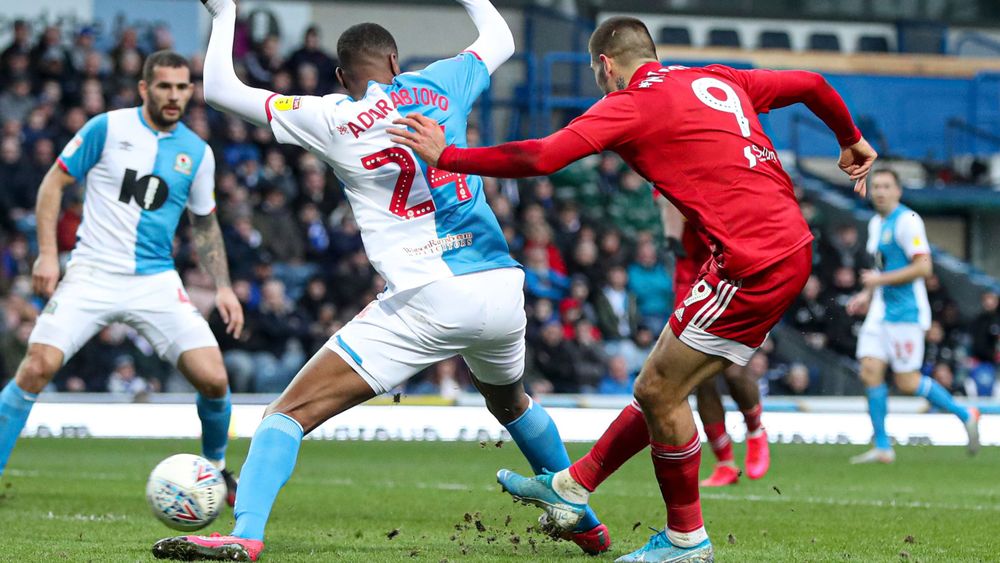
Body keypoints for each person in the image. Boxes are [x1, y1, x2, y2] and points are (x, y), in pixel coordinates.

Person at [391, 16, 876, 562]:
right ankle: (572, 488)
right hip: (777, 244)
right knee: (658, 384)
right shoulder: (715, 78)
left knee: (659, 391)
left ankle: (686, 541)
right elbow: (813, 84)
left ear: (605, 64)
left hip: (754, 260)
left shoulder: (631, 104)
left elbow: (542, 157)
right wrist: (851, 140)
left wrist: (448, 157)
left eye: (599, 78)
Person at [152, 1, 609, 561]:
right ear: (394, 59)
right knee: (511, 401)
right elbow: (502, 36)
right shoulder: (444, 79)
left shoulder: (332, 116)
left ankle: (244, 533)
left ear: (343, 76)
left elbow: (221, 88)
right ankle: (587, 524)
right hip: (500, 286)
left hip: (429, 297)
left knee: (286, 415)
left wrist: (224, 13)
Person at [0, 52, 243, 504]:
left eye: (183, 87)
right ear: (144, 88)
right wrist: (48, 256)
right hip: (91, 271)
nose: (175, 96)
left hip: (155, 281)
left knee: (214, 379)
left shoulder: (198, 152)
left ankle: (216, 469)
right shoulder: (106, 128)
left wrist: (224, 285)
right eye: (166, 86)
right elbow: (53, 184)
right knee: (37, 367)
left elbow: (205, 224)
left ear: (191, 91)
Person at [846, 169, 980, 464]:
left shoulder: (908, 221)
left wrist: (877, 283)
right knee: (870, 371)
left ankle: (965, 413)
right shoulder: (875, 223)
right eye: (876, 186)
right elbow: (878, 271)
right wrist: (866, 295)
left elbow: (924, 268)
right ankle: (882, 446)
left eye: (886, 186)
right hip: (881, 312)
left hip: (906, 314)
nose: (880, 191)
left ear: (898, 191)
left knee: (907, 382)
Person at [660, 197, 770, 488]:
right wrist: (671, 237)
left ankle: (755, 430)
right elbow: (667, 201)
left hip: (731, 277)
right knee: (700, 378)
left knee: (734, 371)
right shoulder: (669, 169)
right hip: (690, 282)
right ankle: (725, 463)